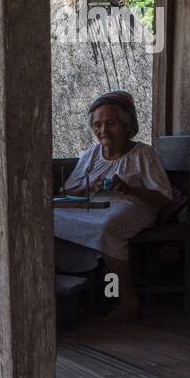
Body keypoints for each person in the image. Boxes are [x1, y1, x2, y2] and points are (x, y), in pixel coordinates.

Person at [54, 91, 175, 322]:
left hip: (133, 207)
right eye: (98, 125)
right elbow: (67, 193)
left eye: (111, 123)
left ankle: (128, 301)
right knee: (47, 216)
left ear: (127, 125)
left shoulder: (142, 153)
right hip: (94, 207)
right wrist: (91, 186)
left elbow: (165, 197)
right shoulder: (91, 155)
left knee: (107, 227)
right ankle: (67, 290)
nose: (103, 131)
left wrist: (129, 188)